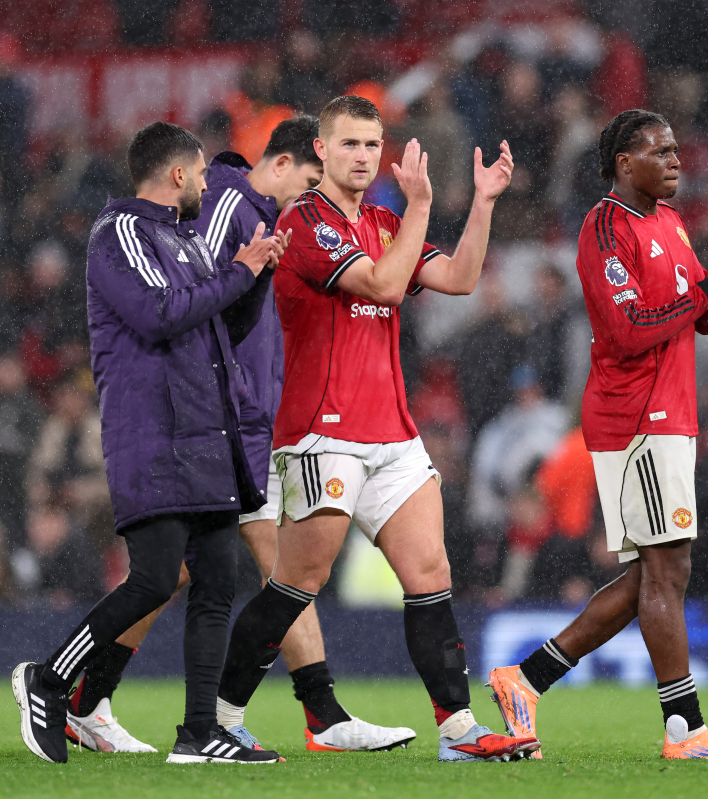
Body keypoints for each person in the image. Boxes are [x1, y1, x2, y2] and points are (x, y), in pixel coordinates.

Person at [67, 115, 415, 754]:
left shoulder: (254, 209)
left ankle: (97, 700)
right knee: (264, 567)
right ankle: (306, 713)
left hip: (244, 416)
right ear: (283, 165)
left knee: (189, 572)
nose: (313, 201)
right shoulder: (228, 206)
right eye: (309, 182)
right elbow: (186, 298)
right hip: (225, 421)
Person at [214, 95, 539, 763]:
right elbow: (384, 287)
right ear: (322, 153)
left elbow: (459, 276)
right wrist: (422, 209)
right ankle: (221, 716)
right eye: (350, 144)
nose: (363, 156)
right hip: (322, 429)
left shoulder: (386, 219)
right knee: (298, 580)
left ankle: (460, 729)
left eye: (372, 145)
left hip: (392, 431)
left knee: (429, 570)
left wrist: (481, 203)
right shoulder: (307, 224)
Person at [488, 109, 708, 760]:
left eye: (678, 149)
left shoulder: (671, 223)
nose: (677, 159)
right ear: (625, 162)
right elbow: (628, 329)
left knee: (656, 569)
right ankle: (684, 727)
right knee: (667, 566)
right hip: (637, 414)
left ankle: (525, 677)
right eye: (662, 150)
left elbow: (694, 320)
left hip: (669, 413)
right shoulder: (604, 227)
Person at [12, 121, 289, 766]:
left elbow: (217, 324)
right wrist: (237, 273)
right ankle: (48, 679)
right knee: (154, 579)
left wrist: (256, 274)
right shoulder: (122, 233)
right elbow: (158, 314)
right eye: (198, 175)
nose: (203, 186)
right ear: (176, 175)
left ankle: (199, 734)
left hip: (204, 434)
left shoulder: (186, 241)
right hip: (155, 433)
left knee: (221, 578)